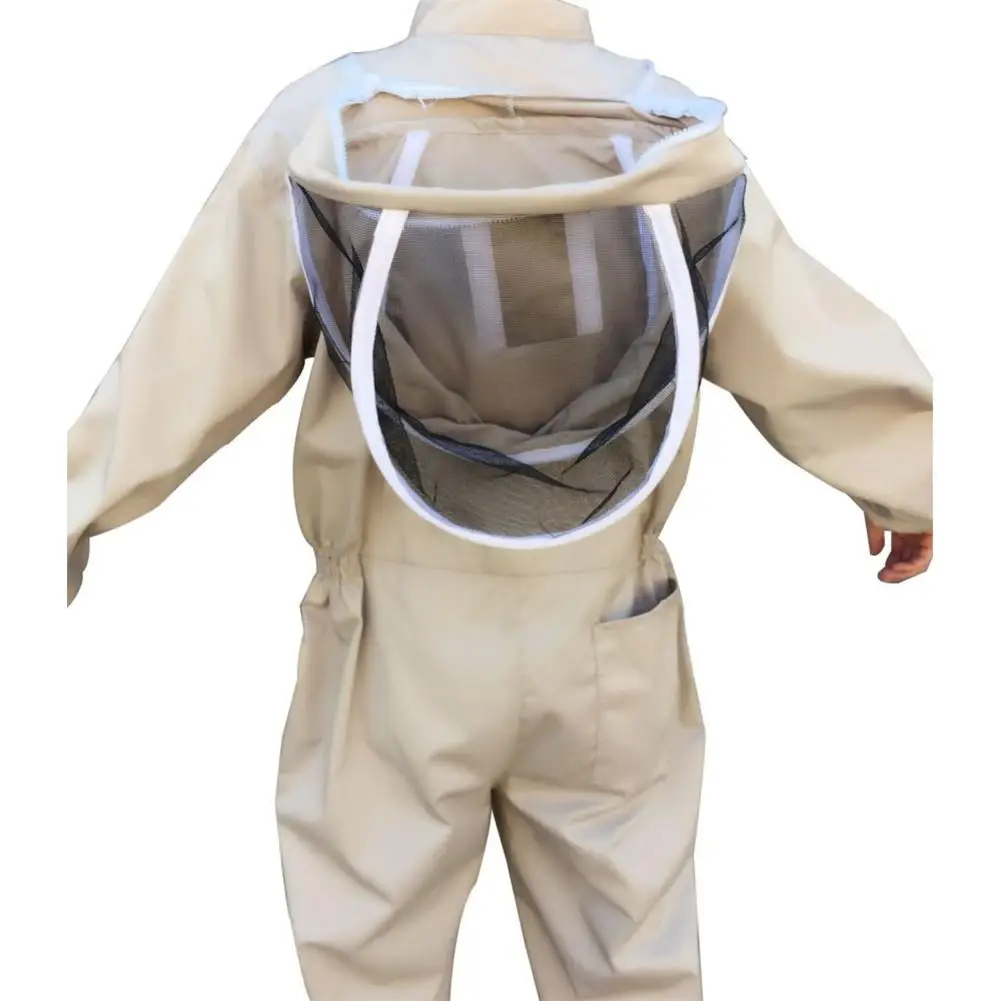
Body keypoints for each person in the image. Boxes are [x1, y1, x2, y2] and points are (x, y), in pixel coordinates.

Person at [66, 2, 932, 998]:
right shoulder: (665, 128)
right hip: (608, 622)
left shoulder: (328, 120)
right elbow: (792, 331)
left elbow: (189, 357)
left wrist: (64, 516)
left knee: (372, 958)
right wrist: (910, 477)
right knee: (629, 965)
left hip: (395, 633)